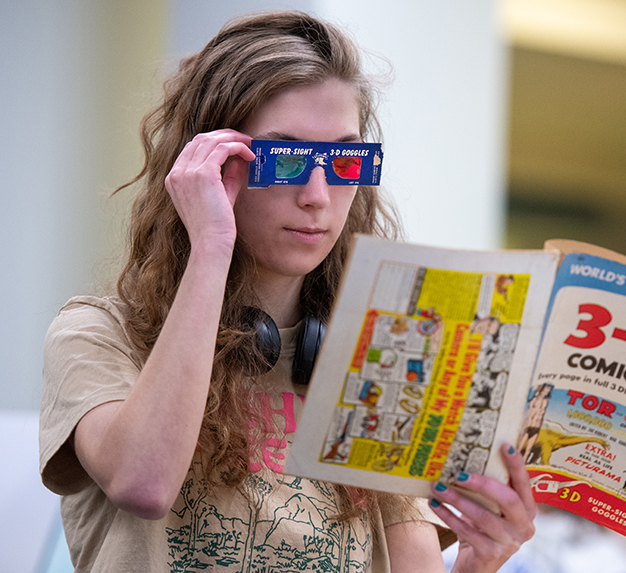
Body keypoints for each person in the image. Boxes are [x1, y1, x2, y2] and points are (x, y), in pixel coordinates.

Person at [38, 11, 535, 573]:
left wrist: (479, 562)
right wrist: (211, 244)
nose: (319, 196)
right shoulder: (97, 335)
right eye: (286, 158)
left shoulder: (379, 361)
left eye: (345, 160)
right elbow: (145, 483)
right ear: (208, 164)